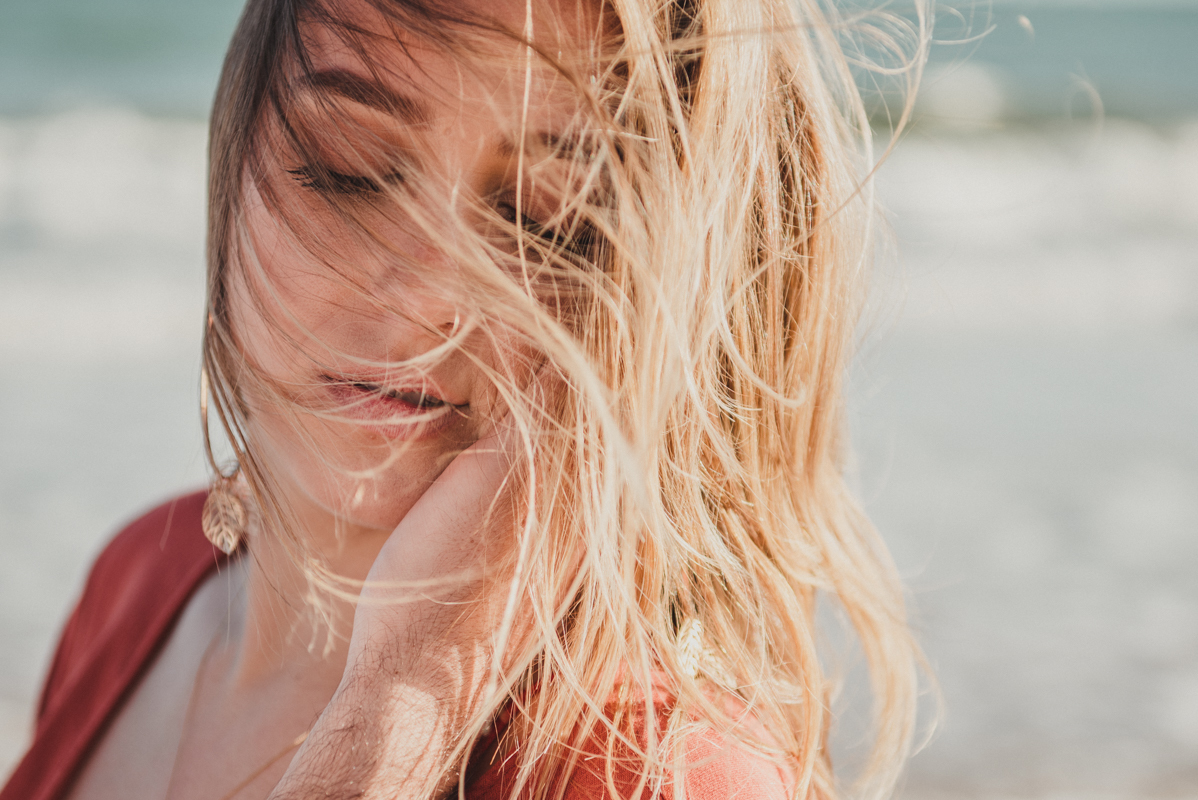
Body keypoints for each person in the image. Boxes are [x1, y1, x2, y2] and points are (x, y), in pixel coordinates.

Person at [2, 0, 927, 798]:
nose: (424, 303)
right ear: (236, 147)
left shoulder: (658, 773)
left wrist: (402, 706)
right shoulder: (141, 580)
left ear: (669, 306)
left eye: (545, 220)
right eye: (348, 167)